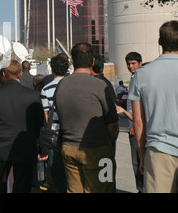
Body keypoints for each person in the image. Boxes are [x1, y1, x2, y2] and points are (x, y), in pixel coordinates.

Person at [53, 43, 118, 193]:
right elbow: (113, 122)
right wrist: (107, 140)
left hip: (69, 147)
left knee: (74, 189)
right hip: (98, 149)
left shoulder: (62, 84)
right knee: (104, 188)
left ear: (73, 61)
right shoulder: (100, 85)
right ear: (93, 61)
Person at [129, 20, 178, 193]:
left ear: (159, 42)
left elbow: (138, 121)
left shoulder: (141, 74)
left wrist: (141, 153)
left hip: (159, 150)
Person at [0, 60, 47, 193]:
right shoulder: (33, 95)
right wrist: (42, 148)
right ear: (20, 74)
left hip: (0, 147)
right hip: (25, 147)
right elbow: (41, 125)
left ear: (3, 74)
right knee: (22, 186)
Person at [40, 54, 69, 193]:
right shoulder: (73, 86)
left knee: (56, 170)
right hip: (72, 132)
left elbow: (46, 115)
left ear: (52, 70)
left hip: (54, 133)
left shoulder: (46, 89)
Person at [124, 51, 144, 193]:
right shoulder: (132, 78)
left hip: (138, 127)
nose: (130, 66)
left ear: (140, 63)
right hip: (133, 125)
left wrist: (135, 124)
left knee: (139, 162)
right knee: (136, 163)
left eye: (133, 63)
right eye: (128, 63)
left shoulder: (141, 78)